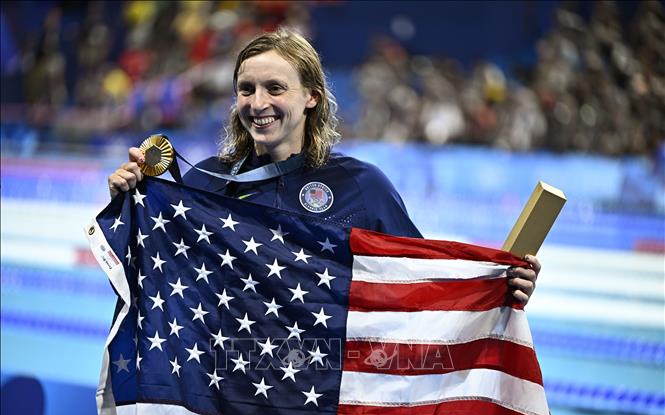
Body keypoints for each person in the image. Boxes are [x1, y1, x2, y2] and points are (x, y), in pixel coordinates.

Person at [108, 28, 540, 303]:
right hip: (228, 392)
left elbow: (421, 284)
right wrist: (126, 209)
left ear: (311, 97)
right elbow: (147, 284)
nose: (258, 103)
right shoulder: (205, 182)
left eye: (275, 88)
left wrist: (497, 288)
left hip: (322, 400)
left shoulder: (361, 186)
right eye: (246, 89)